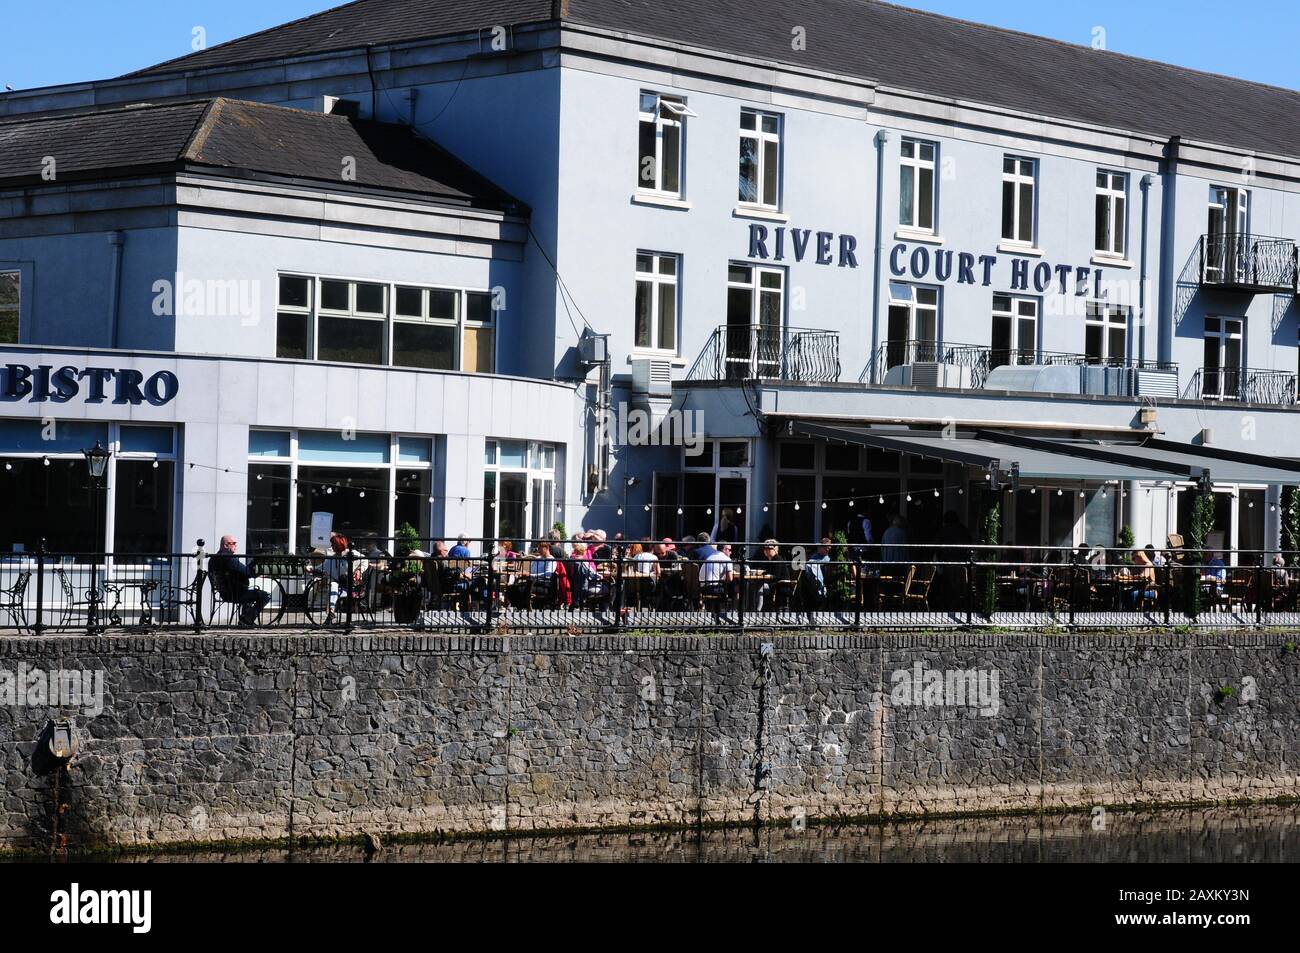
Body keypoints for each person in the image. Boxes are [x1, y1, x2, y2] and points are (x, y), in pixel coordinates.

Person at [208, 535, 272, 625]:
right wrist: (255, 563)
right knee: (265, 596)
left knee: (249, 592)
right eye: (233, 543)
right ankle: (247, 619)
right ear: (226, 545)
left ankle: (245, 618)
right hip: (235, 594)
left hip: (224, 593)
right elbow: (248, 573)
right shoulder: (230, 559)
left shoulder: (213, 559)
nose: (236, 546)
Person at [802, 537, 832, 609]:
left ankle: (820, 588)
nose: (828, 549)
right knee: (809, 565)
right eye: (825, 547)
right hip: (813, 581)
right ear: (820, 547)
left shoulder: (829, 558)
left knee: (812, 565)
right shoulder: (815, 556)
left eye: (829, 547)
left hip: (823, 580)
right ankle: (819, 588)